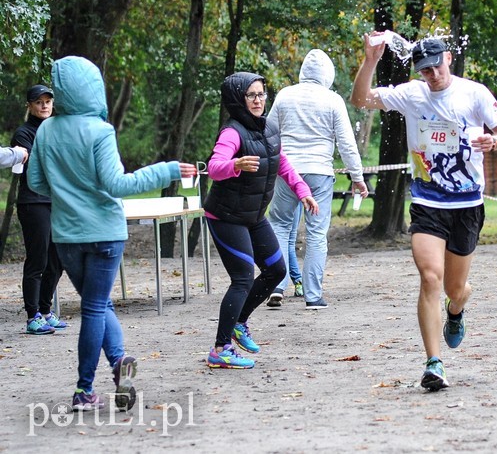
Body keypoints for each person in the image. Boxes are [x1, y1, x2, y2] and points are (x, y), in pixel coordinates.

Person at [27, 56, 197, 411]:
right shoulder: (100, 131)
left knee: (98, 305)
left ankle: (120, 365)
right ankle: (83, 390)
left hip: (67, 236)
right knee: (94, 308)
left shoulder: (46, 131)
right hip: (105, 233)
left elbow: (37, 182)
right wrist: (164, 171)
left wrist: (67, 189)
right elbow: (116, 184)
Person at [350, 34, 497, 391]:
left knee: (455, 288)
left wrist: (494, 141)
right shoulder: (412, 94)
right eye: (425, 70)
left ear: (449, 58)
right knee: (430, 278)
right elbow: (361, 99)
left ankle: (456, 310)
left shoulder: (475, 93)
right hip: (428, 202)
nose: (433, 74)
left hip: (467, 204)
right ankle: (433, 363)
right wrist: (370, 60)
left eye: (437, 65)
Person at [204, 71, 319, 369]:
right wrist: (235, 164)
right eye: (251, 95)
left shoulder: (268, 129)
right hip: (226, 216)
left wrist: (302, 191)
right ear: (238, 100)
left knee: (275, 271)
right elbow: (215, 167)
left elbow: (280, 162)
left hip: (253, 215)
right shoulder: (232, 133)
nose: (258, 100)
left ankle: (239, 323)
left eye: (261, 94)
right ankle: (220, 348)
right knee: (242, 277)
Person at [267, 48, 367, 310]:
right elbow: (347, 143)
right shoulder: (333, 100)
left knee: (278, 225)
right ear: (328, 73)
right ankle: (313, 295)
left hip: (286, 171)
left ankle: (275, 285)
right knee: (316, 233)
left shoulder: (284, 95)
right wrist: (357, 177)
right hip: (320, 174)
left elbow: (268, 134)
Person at [13, 84, 66, 336]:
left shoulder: (58, 130)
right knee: (38, 259)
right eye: (38, 102)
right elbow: (39, 166)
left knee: (58, 260)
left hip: (57, 202)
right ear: (30, 106)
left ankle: (46, 311)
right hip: (33, 202)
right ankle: (32, 316)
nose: (44, 105)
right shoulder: (23, 134)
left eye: (48, 101)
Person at [287, 202, 304, 297]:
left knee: (283, 237)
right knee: (289, 240)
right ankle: (298, 282)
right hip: (297, 191)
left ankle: (277, 287)